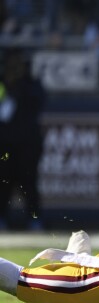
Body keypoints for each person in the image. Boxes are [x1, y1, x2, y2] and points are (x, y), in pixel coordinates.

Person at [0, 48, 46, 231]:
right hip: (5, 145)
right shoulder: (3, 84)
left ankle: (34, 220)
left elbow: (39, 102)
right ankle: (2, 218)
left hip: (28, 145)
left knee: (29, 183)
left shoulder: (32, 85)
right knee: (3, 183)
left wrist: (19, 90)